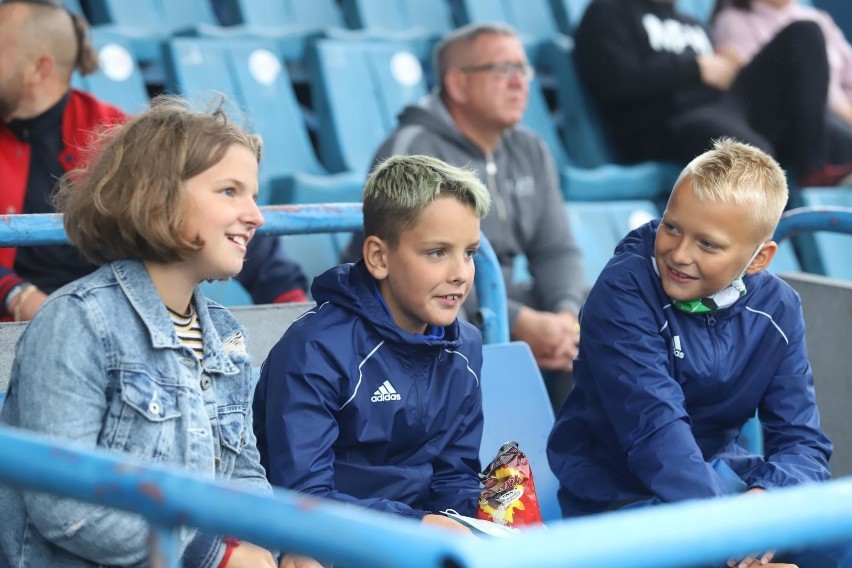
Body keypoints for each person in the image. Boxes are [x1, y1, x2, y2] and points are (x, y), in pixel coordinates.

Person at [0, 96, 319, 568]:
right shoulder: (79, 320)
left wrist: (273, 543)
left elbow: (244, 474)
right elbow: (65, 508)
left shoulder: (225, 334)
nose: (256, 216)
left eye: (253, 195)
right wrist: (217, 556)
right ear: (159, 196)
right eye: (230, 191)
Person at [547, 138, 849, 567]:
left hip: (721, 487)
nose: (680, 254)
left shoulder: (779, 308)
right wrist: (729, 533)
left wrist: (765, 506)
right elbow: (655, 433)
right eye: (672, 227)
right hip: (614, 501)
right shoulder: (624, 290)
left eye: (708, 244)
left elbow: (801, 442)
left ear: (759, 258)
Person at [0, 0, 308, 323]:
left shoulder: (112, 135)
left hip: (119, 324)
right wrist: (15, 293)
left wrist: (295, 312)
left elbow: (216, 207)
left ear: (39, 69)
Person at [342, 23, 584, 397]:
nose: (520, 83)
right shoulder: (412, 149)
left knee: (597, 324)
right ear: (457, 84)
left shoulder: (531, 149)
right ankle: (503, 450)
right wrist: (519, 321)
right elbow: (421, 269)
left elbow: (555, 250)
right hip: (419, 305)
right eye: (503, 70)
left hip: (497, 294)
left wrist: (566, 317)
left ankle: (571, 454)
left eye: (523, 70)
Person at [253, 155, 491, 532]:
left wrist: (467, 523)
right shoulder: (315, 350)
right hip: (332, 543)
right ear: (379, 257)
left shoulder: (464, 347)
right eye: (436, 252)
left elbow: (454, 473)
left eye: (470, 253)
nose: (460, 273)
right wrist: (420, 526)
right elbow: (302, 495)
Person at [574, 0, 852, 189]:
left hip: (723, 107)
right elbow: (614, 80)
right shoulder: (609, 9)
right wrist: (695, 68)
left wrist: (733, 68)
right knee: (748, 151)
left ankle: (813, 168)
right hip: (668, 123)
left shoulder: (690, 22)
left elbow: (716, 76)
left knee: (805, 32)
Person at [711, 0, 852, 166]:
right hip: (793, 123)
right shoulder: (733, 21)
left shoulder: (819, 18)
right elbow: (756, 91)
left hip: (840, 114)